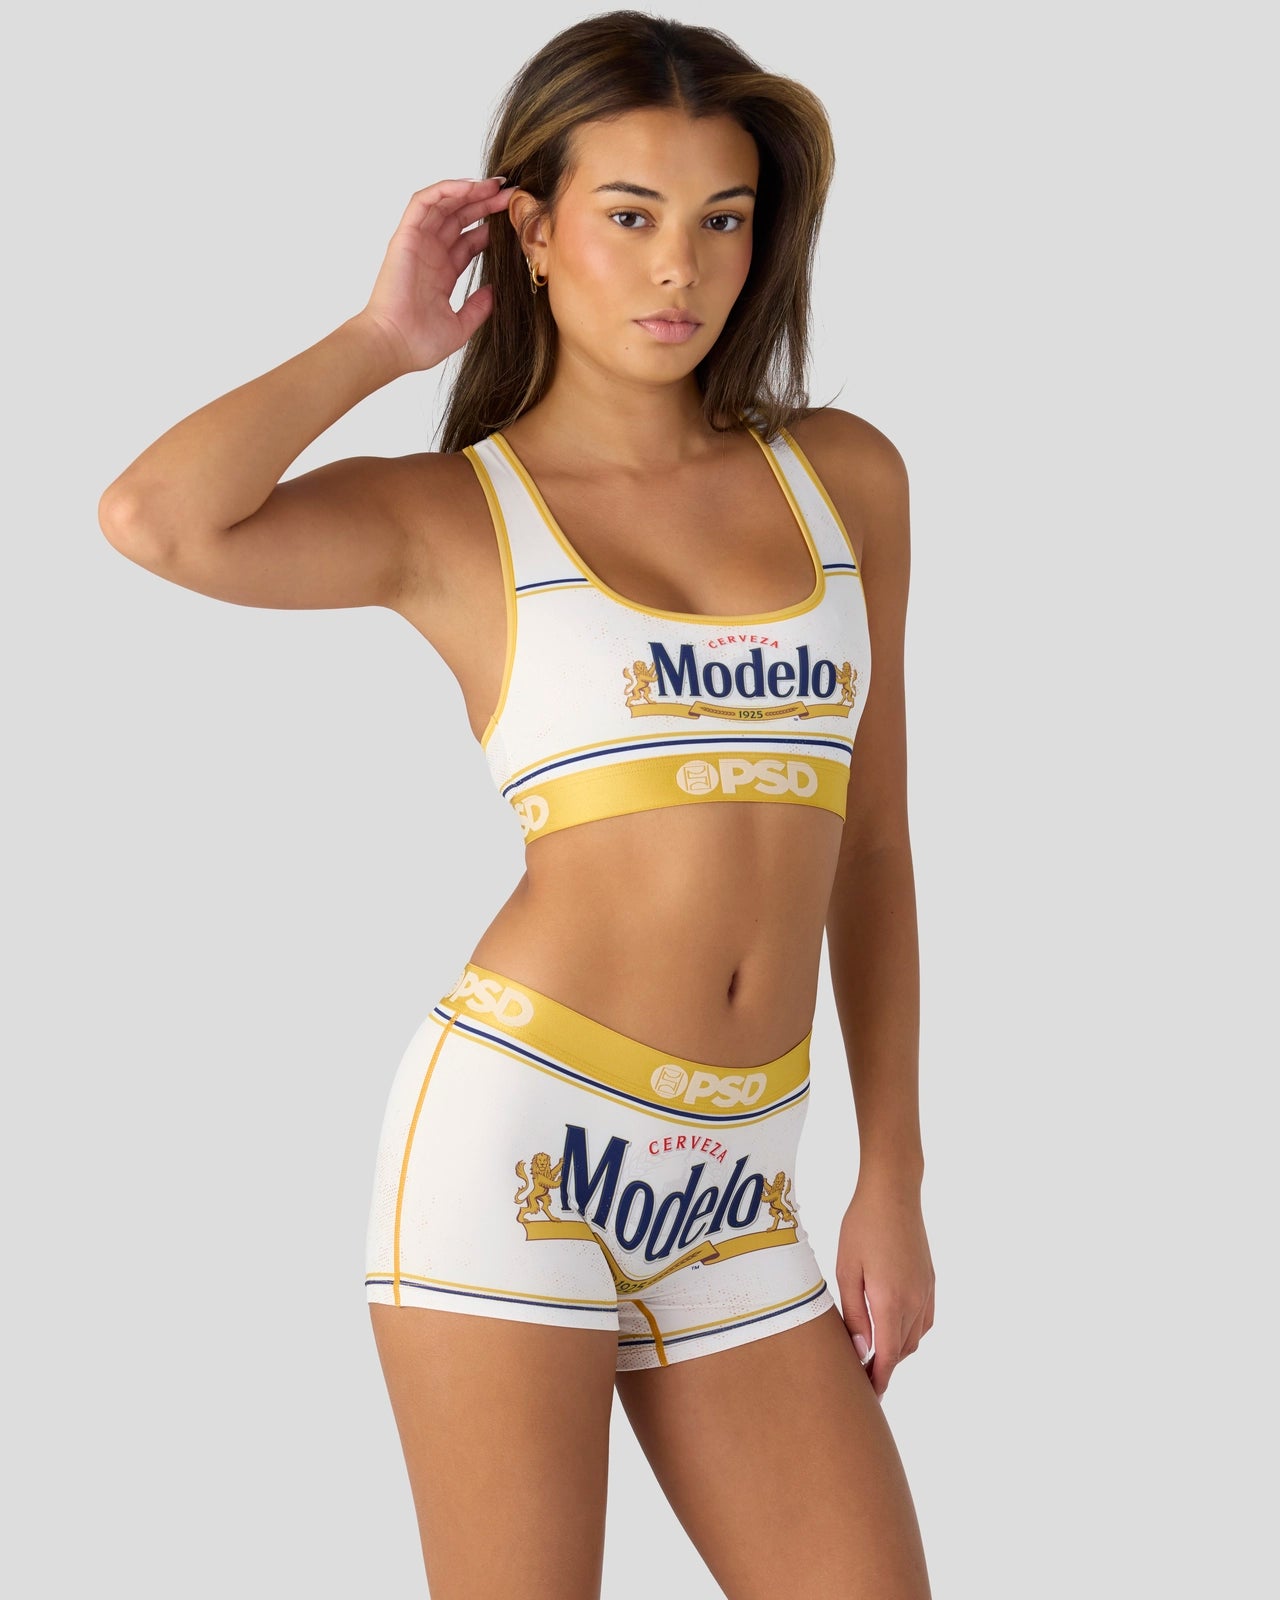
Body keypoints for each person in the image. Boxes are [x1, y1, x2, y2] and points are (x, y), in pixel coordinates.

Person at [98, 12, 934, 1598]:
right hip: (520, 1149)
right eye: (629, 215)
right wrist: (380, 340)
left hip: (741, 1182)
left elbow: (875, 846)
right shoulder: (456, 515)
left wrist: (890, 1169)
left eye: (722, 220)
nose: (680, 267)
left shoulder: (847, 480)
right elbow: (156, 518)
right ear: (532, 233)